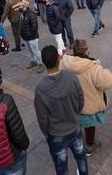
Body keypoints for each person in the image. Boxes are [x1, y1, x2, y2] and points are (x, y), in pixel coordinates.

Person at [34, 45, 88, 175]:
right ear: (59, 59)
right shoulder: (72, 77)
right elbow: (81, 101)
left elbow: (42, 118)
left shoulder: (41, 89)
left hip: (56, 134)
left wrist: (46, 133)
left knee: (61, 166)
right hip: (75, 127)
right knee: (81, 157)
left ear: (44, 62)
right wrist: (75, 114)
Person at [59, 39, 112, 156]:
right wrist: (107, 72)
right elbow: (105, 83)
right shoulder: (93, 67)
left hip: (72, 103)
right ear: (87, 50)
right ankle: (89, 147)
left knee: (75, 124)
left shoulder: (64, 63)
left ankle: (76, 143)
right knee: (89, 126)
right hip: (87, 104)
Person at [17, 0, 45, 72]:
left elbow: (34, 27)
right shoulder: (22, 13)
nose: (19, 8)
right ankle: (33, 61)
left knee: (36, 51)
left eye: (20, 6)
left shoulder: (31, 14)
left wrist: (29, 34)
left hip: (32, 37)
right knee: (30, 50)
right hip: (26, 37)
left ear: (25, 6)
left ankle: (41, 63)